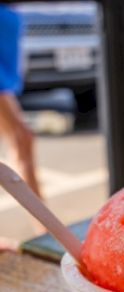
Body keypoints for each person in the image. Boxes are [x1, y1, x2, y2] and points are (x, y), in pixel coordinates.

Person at [0, 3, 40, 197]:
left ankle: (43, 224)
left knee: (22, 141)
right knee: (22, 139)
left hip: (6, 82)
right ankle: (43, 225)